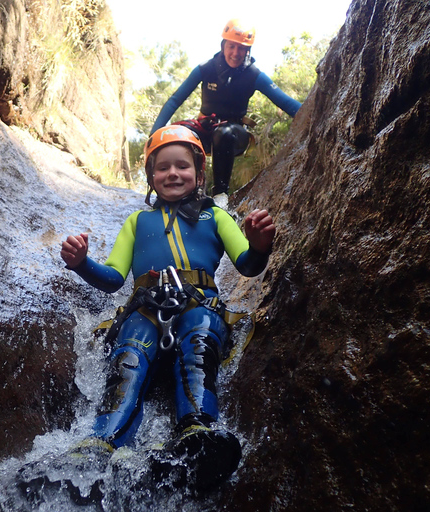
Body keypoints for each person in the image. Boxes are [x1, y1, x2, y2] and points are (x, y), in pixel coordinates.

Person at [58, 125, 276, 491]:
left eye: (182, 167)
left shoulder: (215, 217)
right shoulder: (137, 221)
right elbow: (113, 277)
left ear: (199, 174)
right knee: (129, 353)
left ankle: (196, 427)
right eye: (162, 168)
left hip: (199, 306)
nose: (173, 174)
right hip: (145, 310)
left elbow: (248, 265)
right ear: (151, 177)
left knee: (199, 335)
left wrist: (258, 246)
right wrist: (82, 263)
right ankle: (99, 441)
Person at [151, 19, 302, 205]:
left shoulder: (254, 75)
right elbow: (175, 100)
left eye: (241, 48)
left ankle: (220, 196)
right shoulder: (206, 68)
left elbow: (287, 103)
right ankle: (186, 192)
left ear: (248, 50)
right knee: (177, 136)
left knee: (224, 133)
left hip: (233, 135)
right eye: (231, 46)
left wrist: (312, 110)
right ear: (223, 45)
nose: (236, 53)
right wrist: (155, 133)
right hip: (205, 130)